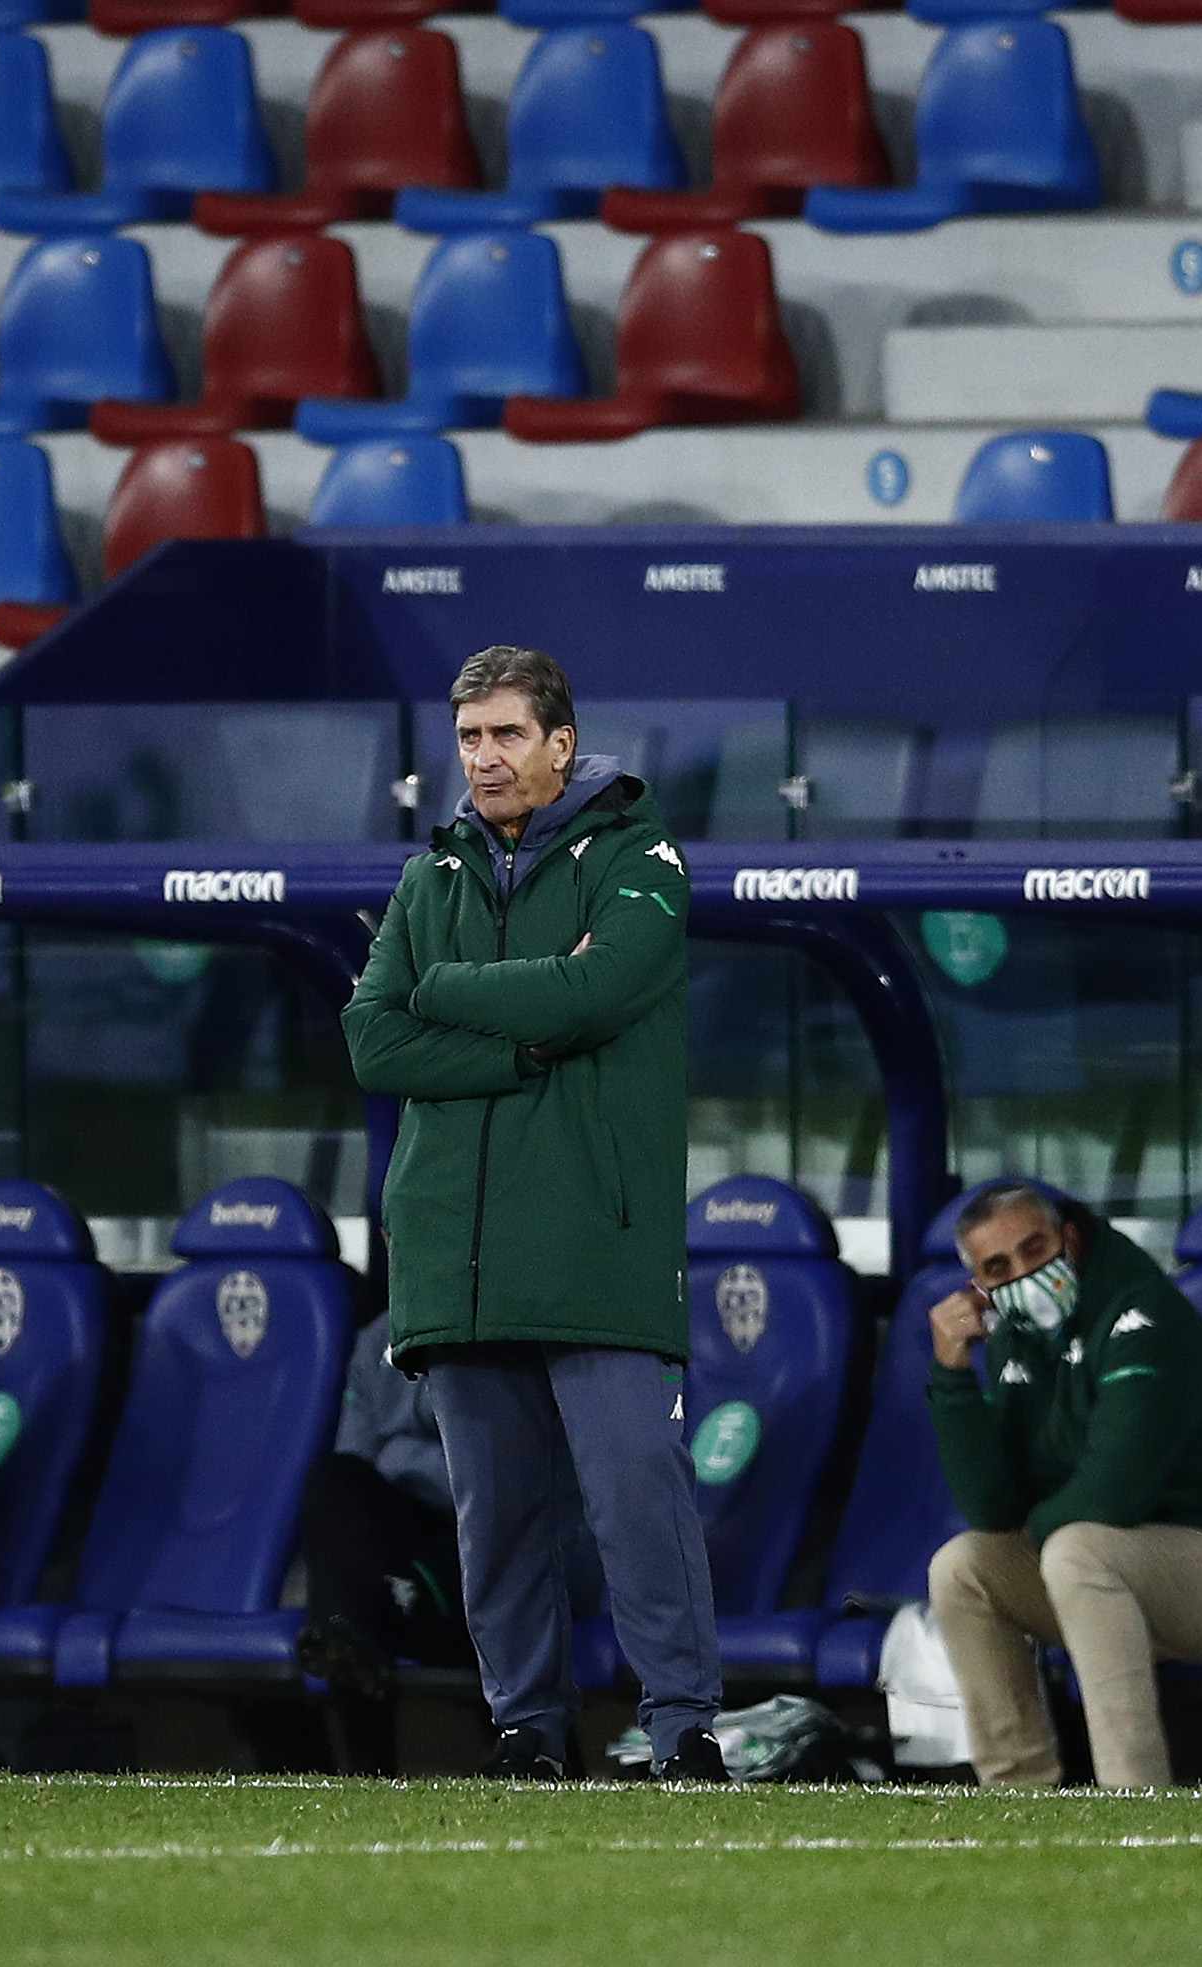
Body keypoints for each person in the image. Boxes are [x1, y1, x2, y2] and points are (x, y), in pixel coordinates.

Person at [338, 644, 724, 1783]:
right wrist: (519, 1044)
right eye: (468, 737)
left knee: (634, 1492)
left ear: (562, 741)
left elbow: (595, 991)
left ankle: (683, 1728)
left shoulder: (641, 856)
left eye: (507, 733)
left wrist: (441, 991)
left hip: (595, 1240)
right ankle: (527, 1730)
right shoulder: (431, 876)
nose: (485, 757)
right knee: (495, 1513)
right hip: (455, 1247)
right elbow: (373, 1040)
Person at [923, 1180, 1202, 1789]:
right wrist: (951, 1371)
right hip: (1141, 1571)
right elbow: (991, 1508)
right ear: (979, 1285)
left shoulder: (1143, 1312)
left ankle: (1132, 1798)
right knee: (962, 1567)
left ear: (1070, 1240)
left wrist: (1038, 1532)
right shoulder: (1018, 1339)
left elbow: (1113, 1495)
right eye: (999, 1267)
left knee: (1077, 1550)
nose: (1023, 1272)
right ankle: (1018, 1794)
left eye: (1035, 1248)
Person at [292, 1317, 474, 1775]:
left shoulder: (502, 1329)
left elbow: (504, 1486)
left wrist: (399, 1458)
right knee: (332, 1478)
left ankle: (365, 1772)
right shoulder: (376, 1339)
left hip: (485, 1545)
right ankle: (347, 1634)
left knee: (356, 1604)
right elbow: (353, 1474)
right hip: (400, 1544)